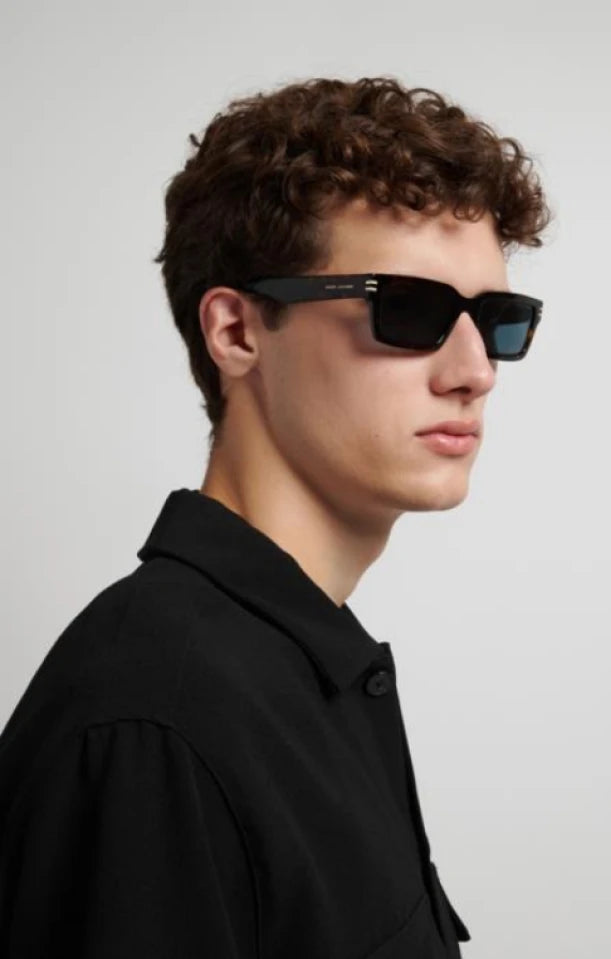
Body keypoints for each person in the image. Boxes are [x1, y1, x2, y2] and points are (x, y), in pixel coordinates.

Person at [0, 76, 552, 958]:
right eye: (407, 310)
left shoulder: (303, 670)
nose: (475, 370)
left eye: (498, 320)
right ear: (237, 332)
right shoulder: (155, 727)